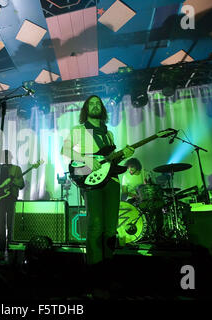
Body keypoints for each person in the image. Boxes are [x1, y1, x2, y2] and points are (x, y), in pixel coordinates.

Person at [61, 95, 134, 298]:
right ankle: (94, 279)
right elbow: (64, 150)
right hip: (92, 180)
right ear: (86, 109)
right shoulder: (79, 130)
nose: (95, 105)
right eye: (91, 103)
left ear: (102, 109)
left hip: (111, 181)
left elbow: (108, 159)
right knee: (95, 226)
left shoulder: (109, 134)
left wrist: (123, 154)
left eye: (98, 103)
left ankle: (108, 276)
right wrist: (85, 159)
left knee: (110, 228)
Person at [0, 150, 25, 260]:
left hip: (11, 199)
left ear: (11, 157)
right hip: (0, 200)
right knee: (1, 226)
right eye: (4, 157)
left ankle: (10, 251)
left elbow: (22, 184)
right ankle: (1, 251)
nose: (6, 158)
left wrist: (13, 182)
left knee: (10, 225)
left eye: (7, 156)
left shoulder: (16, 169)